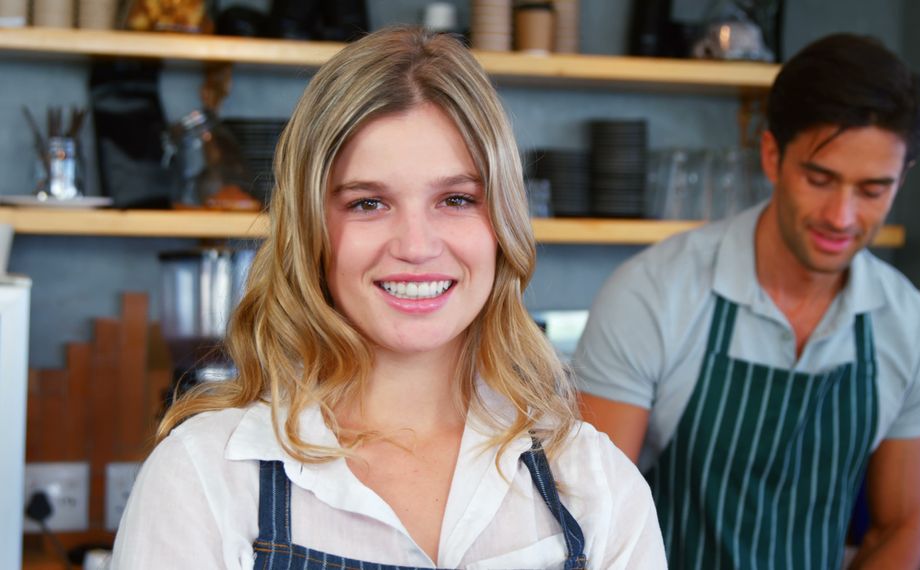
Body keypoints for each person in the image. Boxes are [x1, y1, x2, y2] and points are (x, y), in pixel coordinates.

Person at [112, 26, 664, 569]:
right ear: (310, 231)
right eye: (368, 204)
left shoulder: (596, 486)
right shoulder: (203, 478)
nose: (417, 246)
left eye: (456, 198)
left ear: (503, 223)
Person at [574, 33, 920, 569]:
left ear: (902, 177)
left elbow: (901, 526)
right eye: (820, 179)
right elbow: (592, 517)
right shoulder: (652, 295)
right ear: (772, 156)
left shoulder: (912, 329)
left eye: (871, 190)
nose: (841, 217)